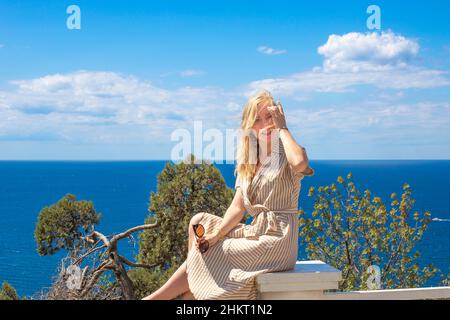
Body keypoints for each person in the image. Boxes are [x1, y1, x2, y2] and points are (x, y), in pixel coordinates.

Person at [142, 89, 314, 300]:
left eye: (269, 116)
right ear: (250, 127)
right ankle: (187, 296)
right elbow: (237, 207)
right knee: (199, 223)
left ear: (278, 116)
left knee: (213, 252)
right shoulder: (251, 160)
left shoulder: (287, 151)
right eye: (258, 120)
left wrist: (283, 128)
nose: (265, 123)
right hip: (256, 232)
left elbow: (300, 163)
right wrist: (216, 235)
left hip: (278, 241)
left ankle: (158, 299)